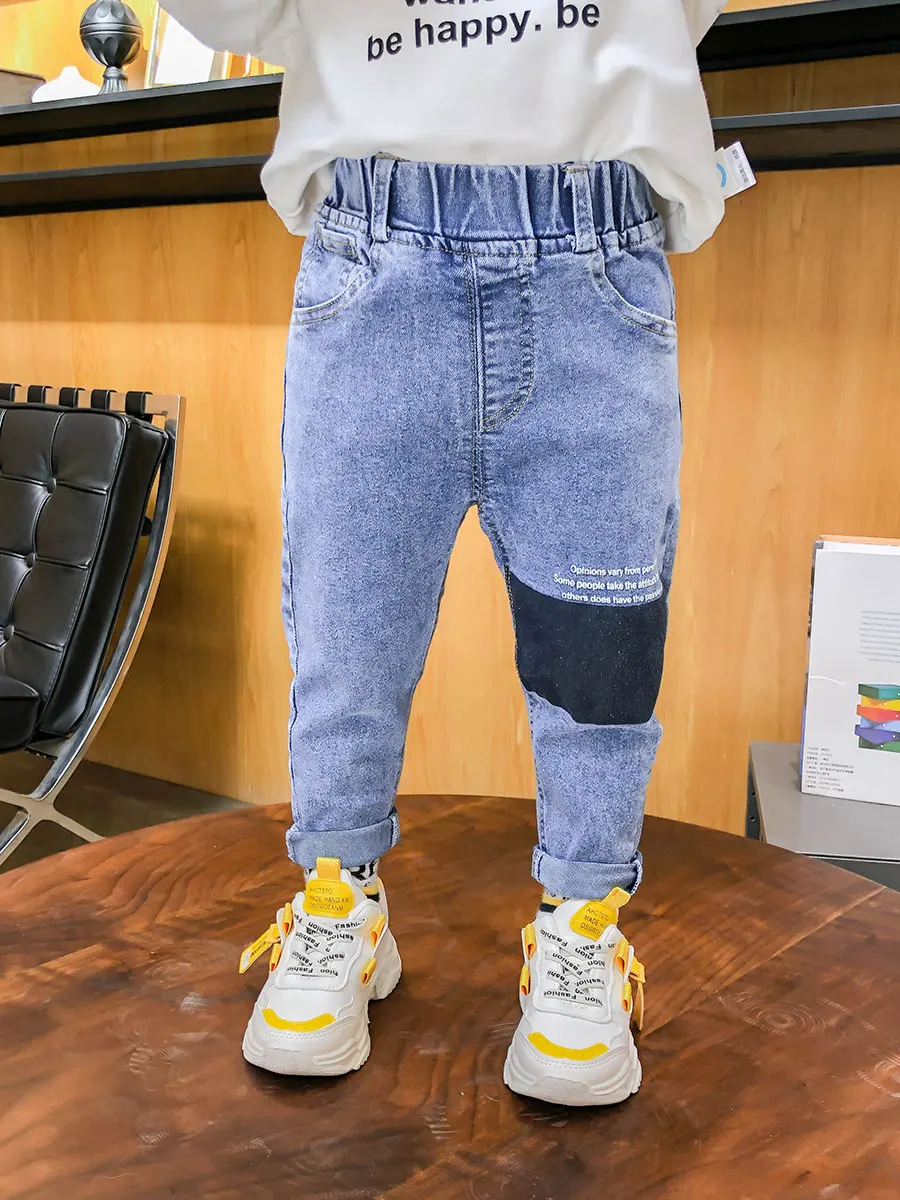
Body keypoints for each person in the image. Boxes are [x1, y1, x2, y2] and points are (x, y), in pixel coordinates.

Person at [166, 0, 727, 1105]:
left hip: (598, 266)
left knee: (600, 649)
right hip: (372, 264)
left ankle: (582, 923)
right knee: (348, 632)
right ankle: (342, 900)